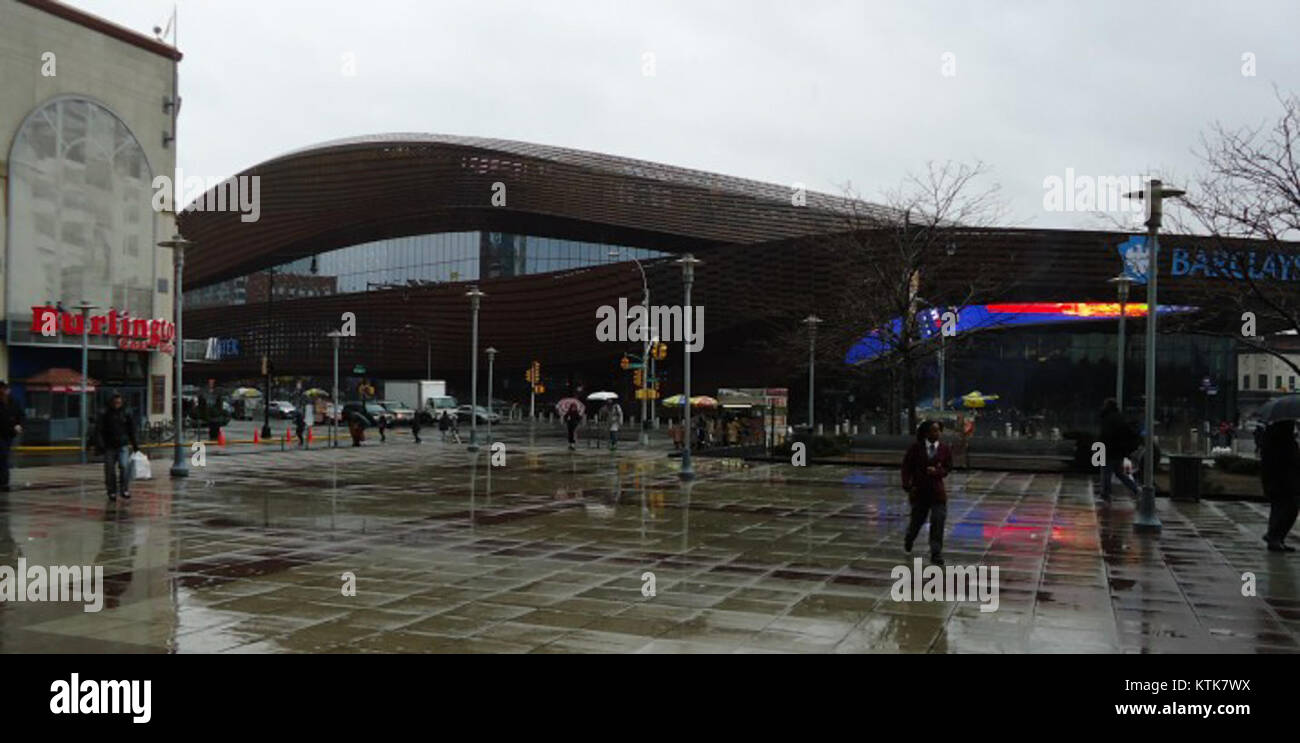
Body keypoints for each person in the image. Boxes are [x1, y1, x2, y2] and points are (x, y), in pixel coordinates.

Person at [901, 420, 952, 566]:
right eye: (933, 430)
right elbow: (906, 467)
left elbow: (948, 467)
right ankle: (909, 539)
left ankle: (936, 553)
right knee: (917, 521)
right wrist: (907, 484)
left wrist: (938, 472)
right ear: (925, 433)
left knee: (938, 521)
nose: (936, 433)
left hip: (937, 493)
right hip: (920, 492)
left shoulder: (944, 449)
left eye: (938, 430)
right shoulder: (915, 449)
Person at [1259, 419, 1300, 552]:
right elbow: (1289, 460)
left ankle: (1276, 538)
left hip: (1278, 481)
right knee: (1290, 509)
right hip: (1283, 481)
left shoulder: (1276, 438)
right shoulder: (1281, 441)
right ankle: (1274, 536)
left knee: (1278, 509)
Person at [96, 392, 138, 502]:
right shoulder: (105, 413)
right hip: (109, 446)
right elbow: (99, 430)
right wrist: (101, 444)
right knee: (110, 470)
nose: (117, 404)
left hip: (122, 445)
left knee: (124, 466)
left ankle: (124, 489)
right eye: (115, 402)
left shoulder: (126, 413)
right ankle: (112, 491)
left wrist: (135, 445)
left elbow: (131, 429)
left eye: (119, 402)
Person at [1098, 398, 1140, 503]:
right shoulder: (1120, 418)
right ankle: (1135, 489)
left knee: (1106, 472)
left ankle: (1106, 494)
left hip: (1108, 450)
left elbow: (1105, 435)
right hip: (1118, 451)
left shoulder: (1107, 418)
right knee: (1119, 473)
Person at [0, 382, 23, 492]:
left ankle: (4, 481)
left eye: (7, 389)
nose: (6, 392)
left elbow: (21, 415)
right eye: (4, 390)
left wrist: (19, 425)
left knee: (3, 457)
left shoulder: (14, 402)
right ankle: (4, 481)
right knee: (3, 456)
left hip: (9, 434)